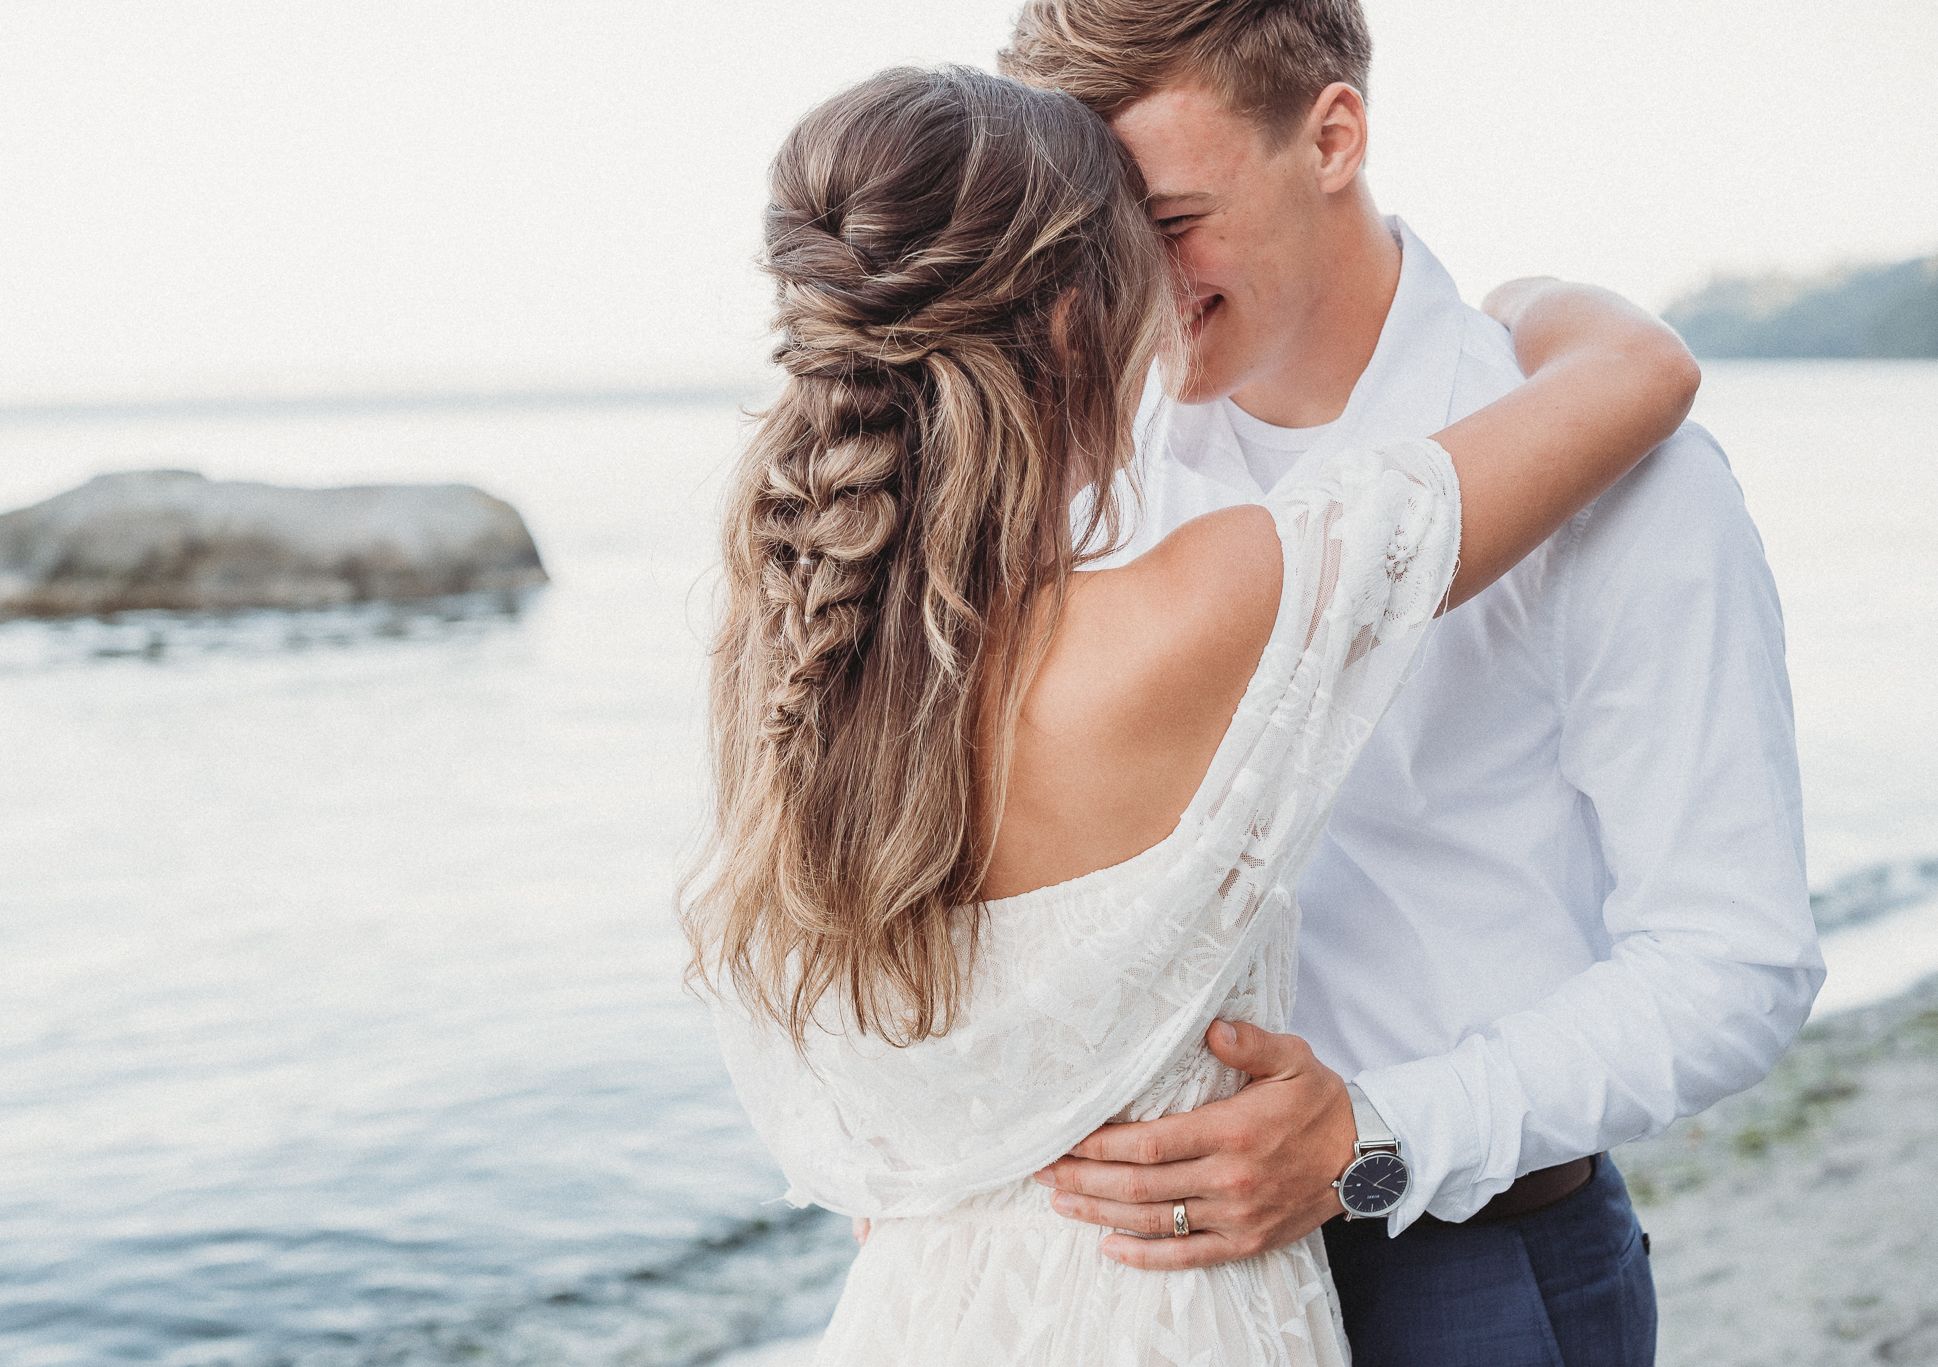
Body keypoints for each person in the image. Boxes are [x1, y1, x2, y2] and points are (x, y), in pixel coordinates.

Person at [688, 64, 1698, 1366]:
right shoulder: (1201, 602)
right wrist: (1529, 299)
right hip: (1164, 1310)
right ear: (1075, 327)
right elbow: (1638, 373)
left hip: (925, 1308)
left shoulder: (785, 650)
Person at [997, 2, 1821, 1363]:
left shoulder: (1633, 478)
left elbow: (1736, 961)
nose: (1129, 282)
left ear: (1333, 136)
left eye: (1175, 218)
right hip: (1124, 1290)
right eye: (1090, 239)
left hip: (1468, 1276)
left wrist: (1370, 1142)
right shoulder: (1084, 468)